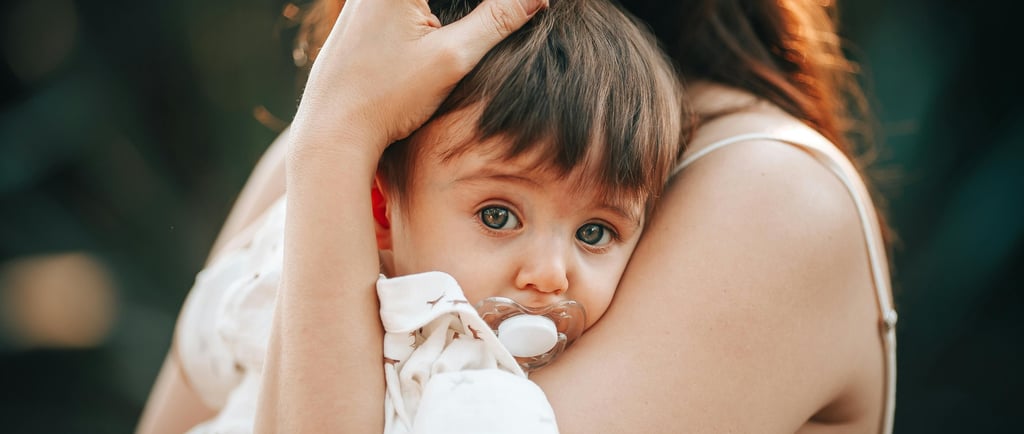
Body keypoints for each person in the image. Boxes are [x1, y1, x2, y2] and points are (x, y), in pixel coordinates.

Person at [139, 0, 899, 433]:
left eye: (596, 233)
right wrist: (334, 135)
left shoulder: (765, 195)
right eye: (499, 214)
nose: (549, 269)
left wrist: (335, 135)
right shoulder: (353, 135)